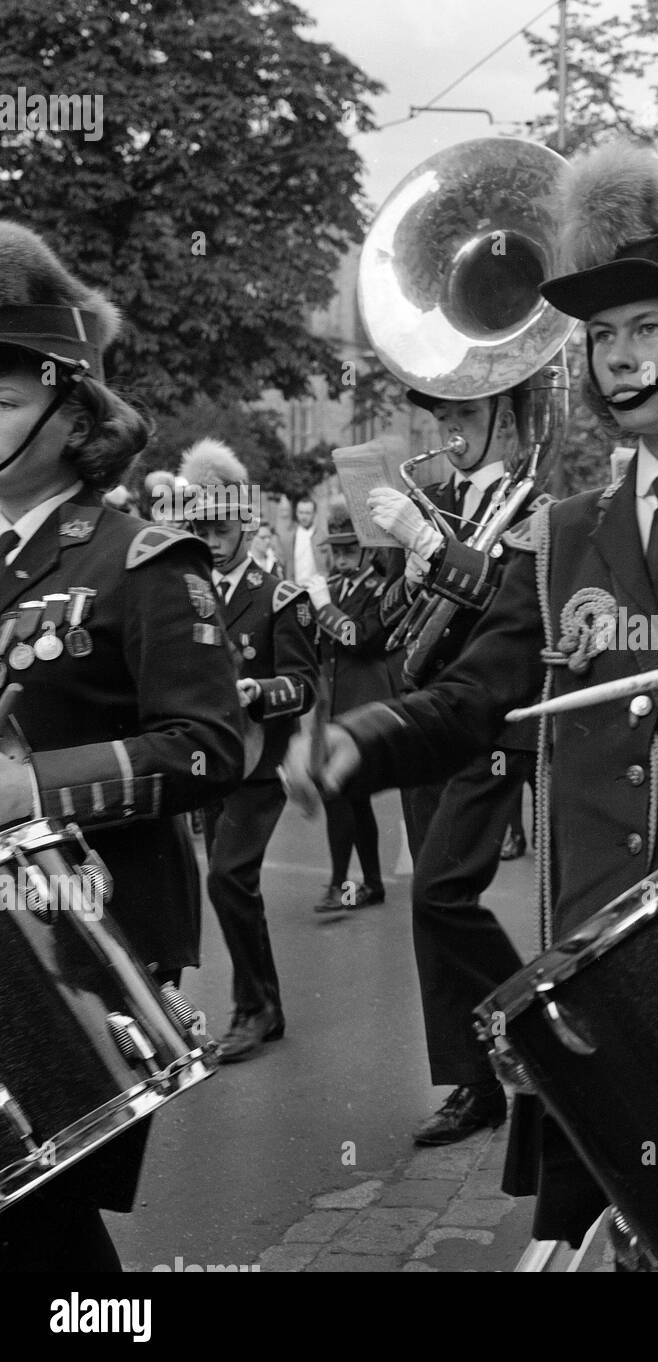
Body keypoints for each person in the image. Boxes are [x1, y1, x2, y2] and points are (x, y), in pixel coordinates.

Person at [283, 139, 658, 1254]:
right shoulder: (561, 536)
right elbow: (479, 701)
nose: (618, 358)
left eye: (648, 328)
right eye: (602, 336)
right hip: (591, 967)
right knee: (584, 1236)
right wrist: (357, 744)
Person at [0, 222, 243, 1270]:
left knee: (43, 1231)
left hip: (76, 946)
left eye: (3, 396)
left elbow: (207, 747)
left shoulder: (134, 557)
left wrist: (30, 788)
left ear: (72, 407)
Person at [365, 383, 540, 1147]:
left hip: (494, 722)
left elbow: (513, 598)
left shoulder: (538, 502)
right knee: (429, 905)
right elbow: (403, 624)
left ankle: (539, 1036)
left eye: (464, 417)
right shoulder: (449, 501)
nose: (449, 432)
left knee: (441, 890)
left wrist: (432, 548)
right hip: (433, 712)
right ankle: (475, 1086)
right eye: (441, 420)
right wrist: (411, 574)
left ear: (510, 421)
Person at [182, 439, 319, 1065]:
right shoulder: (186, 593)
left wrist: (259, 689)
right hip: (208, 759)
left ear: (246, 525)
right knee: (231, 883)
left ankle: (252, 1009)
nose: (211, 538)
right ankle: (264, 1004)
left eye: (221, 526)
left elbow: (306, 683)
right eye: (201, 527)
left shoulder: (280, 597)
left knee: (228, 876)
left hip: (261, 759)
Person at [312, 499, 391, 913]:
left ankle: (339, 883)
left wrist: (324, 608)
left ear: (366, 550)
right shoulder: (338, 587)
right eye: (336, 550)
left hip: (364, 705)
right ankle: (373, 883)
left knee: (338, 792)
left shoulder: (378, 589)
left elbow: (360, 637)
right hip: (335, 705)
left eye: (348, 550)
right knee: (351, 797)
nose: (340, 559)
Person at [276, 493, 327, 587]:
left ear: (314, 513)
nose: (304, 517)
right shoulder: (288, 536)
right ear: (296, 513)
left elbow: (330, 563)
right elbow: (281, 563)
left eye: (307, 513)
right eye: (301, 512)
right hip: (295, 587)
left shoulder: (322, 536)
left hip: (318, 587)